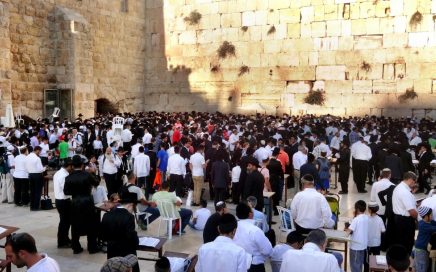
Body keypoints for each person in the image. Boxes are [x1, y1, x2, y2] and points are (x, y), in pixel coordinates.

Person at [64, 155, 100, 254]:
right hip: (87, 201)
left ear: (72, 165)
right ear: (81, 164)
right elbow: (96, 182)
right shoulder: (87, 175)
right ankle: (92, 247)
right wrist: (94, 173)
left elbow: (66, 192)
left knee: (75, 225)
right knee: (91, 224)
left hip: (75, 202)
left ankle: (76, 247)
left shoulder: (68, 177)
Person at [101, 200, 140, 272]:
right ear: (130, 205)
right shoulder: (129, 216)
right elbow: (130, 236)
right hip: (126, 251)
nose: (132, 211)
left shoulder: (106, 215)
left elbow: (103, 236)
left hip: (111, 250)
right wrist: (136, 242)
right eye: (133, 209)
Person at [234, 202, 273, 272]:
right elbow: (268, 250)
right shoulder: (255, 230)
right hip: (254, 266)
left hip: (236, 264)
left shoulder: (233, 229)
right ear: (250, 214)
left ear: (236, 215)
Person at [391, 171, 418, 254]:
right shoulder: (404, 192)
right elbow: (412, 211)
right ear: (410, 180)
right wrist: (419, 219)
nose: (415, 184)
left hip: (399, 219)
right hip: (405, 221)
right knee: (407, 243)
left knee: (401, 241)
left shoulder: (399, 187)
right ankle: (405, 261)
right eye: (415, 181)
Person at [53, 158, 73, 248]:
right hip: (63, 201)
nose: (72, 168)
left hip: (59, 200)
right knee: (64, 222)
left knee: (65, 222)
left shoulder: (58, 173)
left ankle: (65, 239)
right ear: (68, 166)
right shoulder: (63, 175)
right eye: (71, 166)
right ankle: (62, 242)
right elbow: (66, 190)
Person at [345, 200, 369, 272]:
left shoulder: (356, 219)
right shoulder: (367, 217)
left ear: (357, 209)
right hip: (363, 246)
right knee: (360, 264)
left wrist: (346, 229)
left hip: (355, 247)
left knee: (355, 266)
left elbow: (348, 233)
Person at [414, 206, 436, 272]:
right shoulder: (423, 225)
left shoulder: (428, 222)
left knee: (425, 265)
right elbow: (434, 228)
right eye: (431, 214)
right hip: (421, 250)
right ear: (426, 216)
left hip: (423, 249)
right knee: (422, 267)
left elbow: (434, 223)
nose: (432, 216)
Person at [25, 146, 45, 211]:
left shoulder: (27, 157)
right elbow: (40, 169)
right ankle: (36, 207)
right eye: (40, 151)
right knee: (37, 191)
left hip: (30, 175)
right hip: (37, 175)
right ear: (37, 150)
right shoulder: (37, 158)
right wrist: (45, 168)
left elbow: (26, 167)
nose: (40, 153)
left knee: (32, 191)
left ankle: (32, 206)